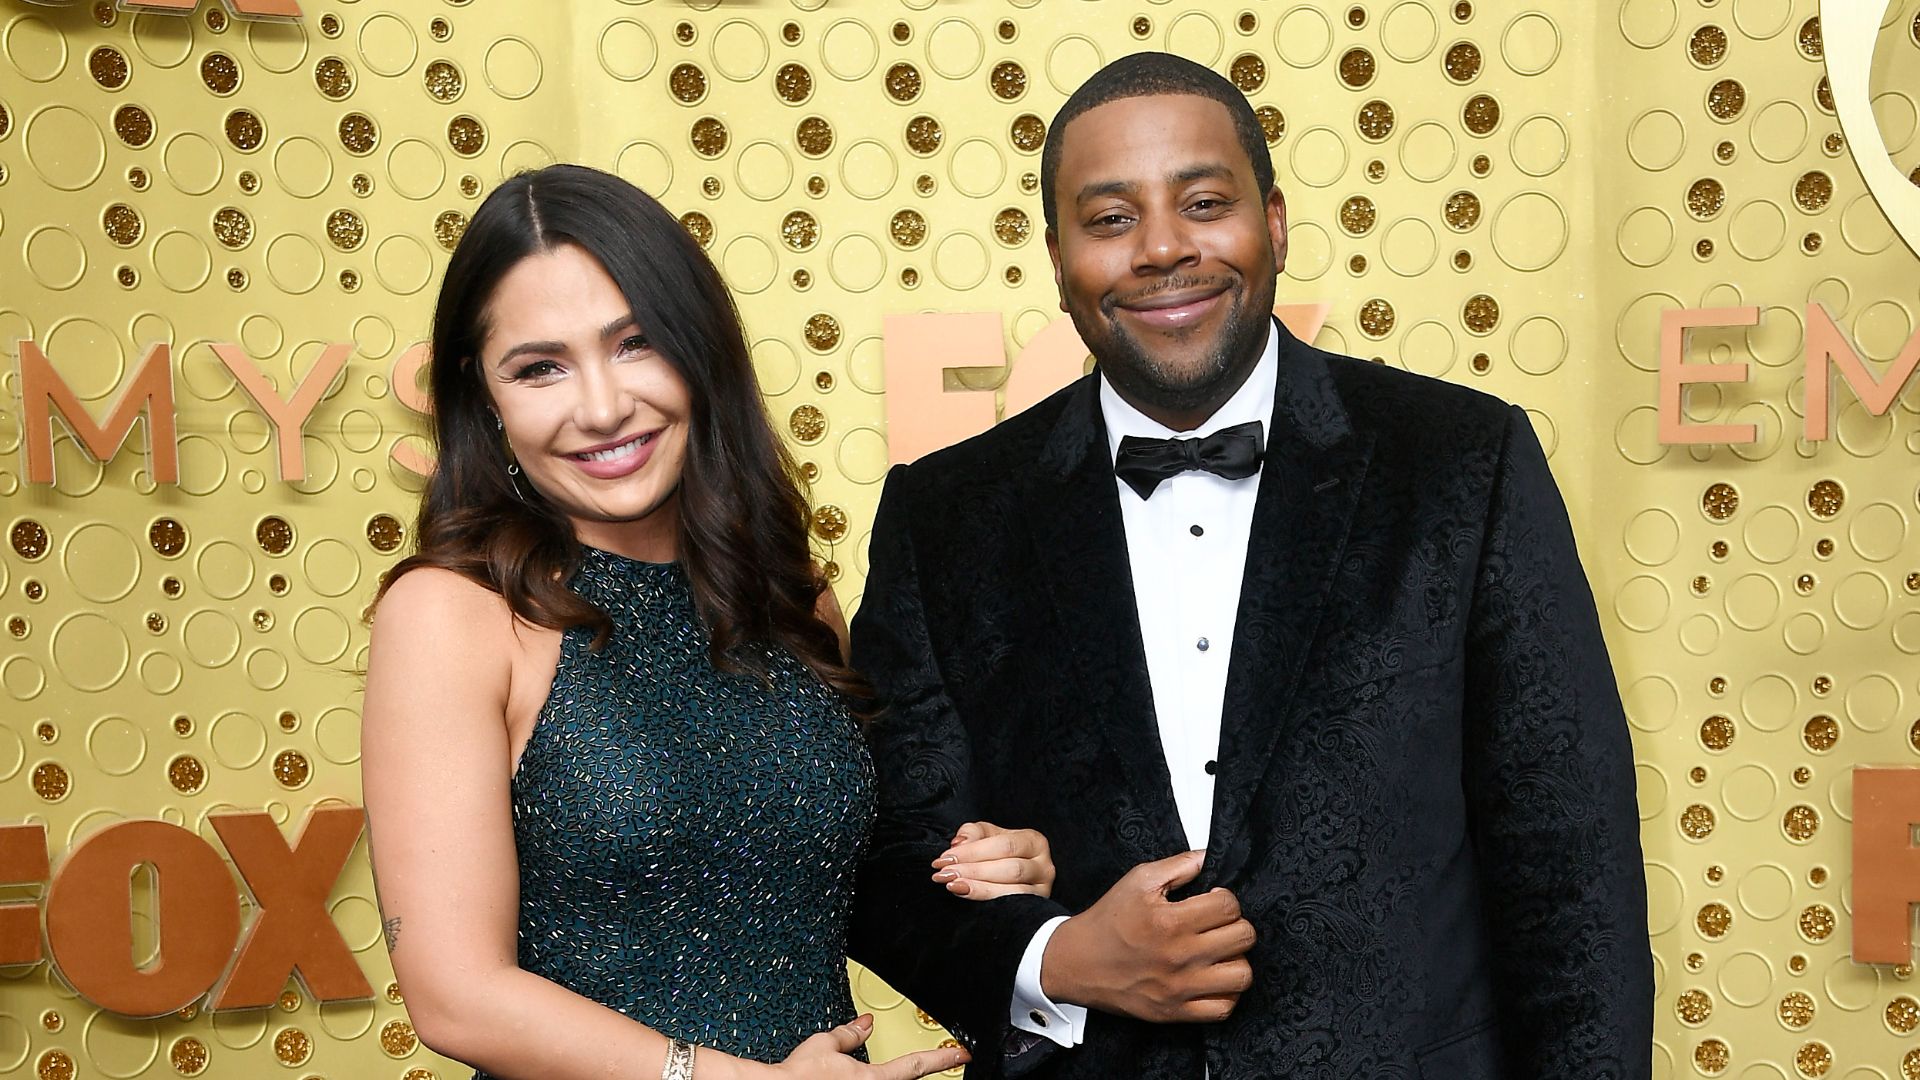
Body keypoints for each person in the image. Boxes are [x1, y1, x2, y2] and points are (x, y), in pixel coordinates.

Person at [848, 53, 1651, 1079]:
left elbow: (1571, 876)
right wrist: (1059, 958)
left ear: (1273, 223)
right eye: (1109, 220)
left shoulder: (1459, 462)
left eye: (1204, 203)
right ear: (1055, 260)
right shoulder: (946, 515)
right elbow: (883, 857)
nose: (1163, 249)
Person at [360, 164, 1056, 1080]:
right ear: (483, 398)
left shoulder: (793, 600)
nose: (603, 407)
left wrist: (995, 872)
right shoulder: (455, 615)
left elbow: (832, 884)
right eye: (540, 368)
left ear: (700, 351)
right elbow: (456, 994)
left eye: (636, 343)